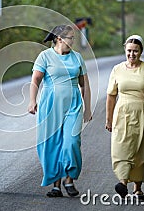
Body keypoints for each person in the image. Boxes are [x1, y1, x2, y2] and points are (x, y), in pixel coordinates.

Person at [28, 25, 92, 197]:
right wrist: (32, 100)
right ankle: (56, 186)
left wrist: (87, 108)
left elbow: (84, 84)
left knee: (71, 142)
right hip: (50, 106)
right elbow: (35, 80)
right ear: (58, 39)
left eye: (73, 37)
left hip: (73, 105)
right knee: (53, 143)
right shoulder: (45, 56)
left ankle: (69, 179)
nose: (73, 41)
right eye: (70, 37)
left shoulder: (77, 58)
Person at [105, 34, 144, 199]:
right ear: (125, 50)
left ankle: (137, 188)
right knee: (122, 147)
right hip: (122, 113)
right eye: (129, 51)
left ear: (141, 51)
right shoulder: (117, 69)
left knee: (141, 150)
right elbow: (111, 95)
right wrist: (109, 119)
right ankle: (123, 183)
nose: (132, 54)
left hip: (143, 112)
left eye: (135, 51)